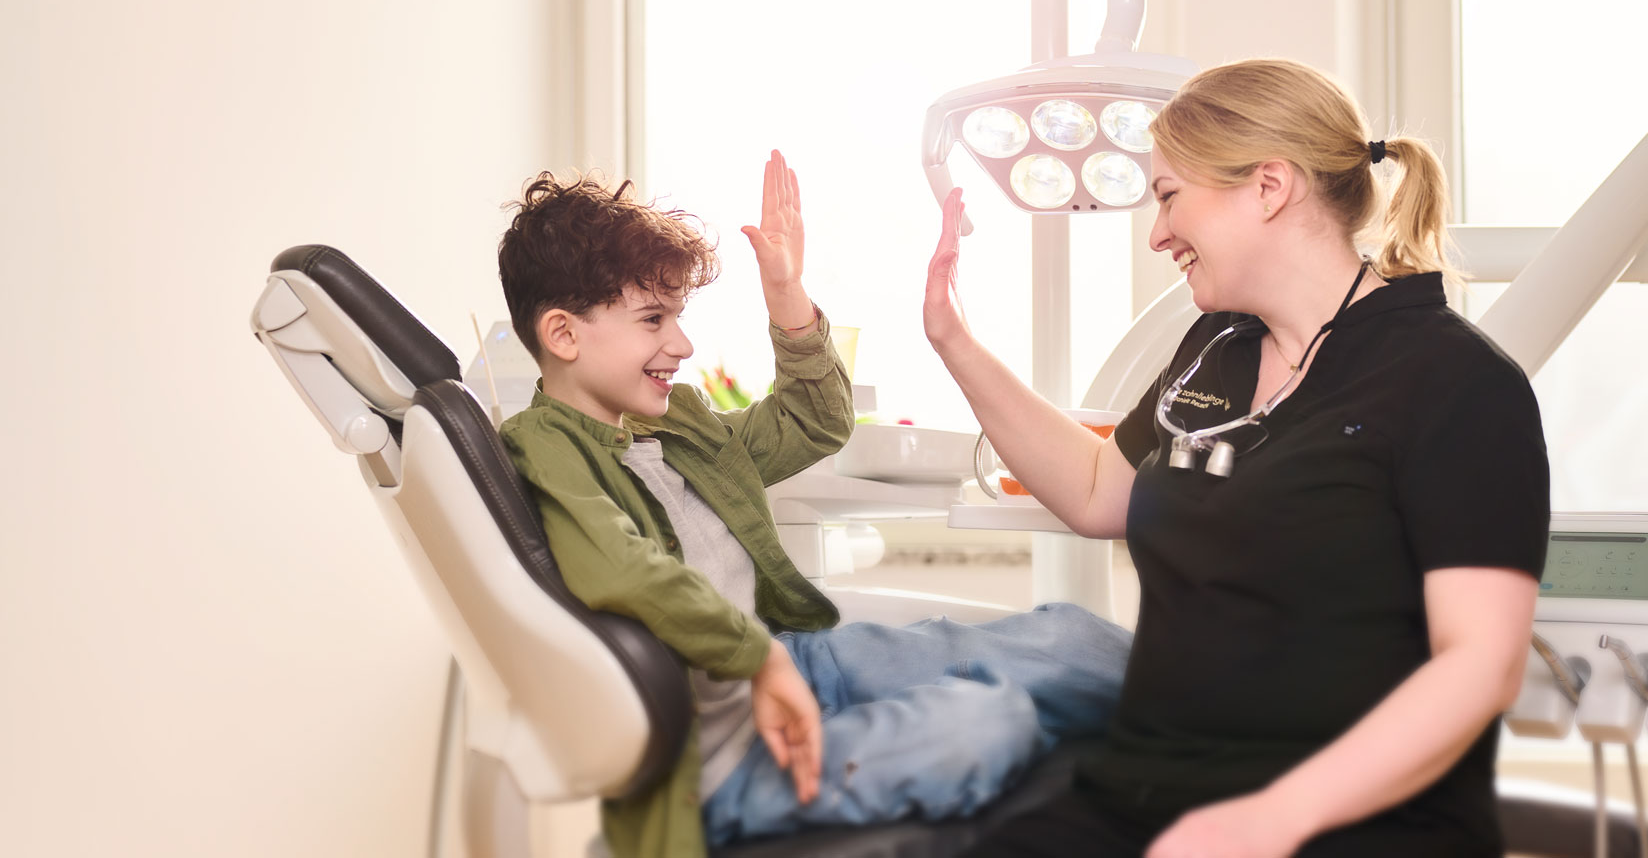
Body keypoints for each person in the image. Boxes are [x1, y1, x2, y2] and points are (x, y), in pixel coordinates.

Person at [928, 59, 1549, 857]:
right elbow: (1092, 493)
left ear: (1267, 187)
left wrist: (1274, 818)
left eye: (1168, 197)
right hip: (1146, 799)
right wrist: (954, 342)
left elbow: (1481, 664)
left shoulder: (1455, 382)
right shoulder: (1215, 349)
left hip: (1346, 825)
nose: (1156, 235)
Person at [494, 153, 1132, 858]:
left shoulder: (674, 424)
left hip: (797, 661)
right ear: (563, 334)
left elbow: (815, 421)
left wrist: (786, 291)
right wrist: (757, 665)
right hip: (726, 767)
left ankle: (1244, 727)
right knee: (987, 722)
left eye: (677, 316)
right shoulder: (544, 443)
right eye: (653, 320)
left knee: (1074, 640)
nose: (681, 343)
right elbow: (623, 567)